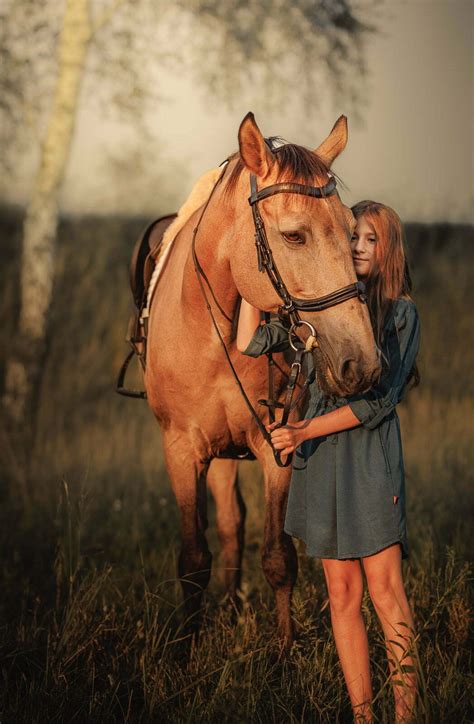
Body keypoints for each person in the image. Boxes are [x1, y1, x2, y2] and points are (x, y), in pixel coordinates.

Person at [237, 200, 421, 722]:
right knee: (341, 594)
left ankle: (406, 717)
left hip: (368, 460)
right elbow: (250, 340)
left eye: (369, 239)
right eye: (352, 238)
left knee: (386, 594)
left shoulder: (402, 314)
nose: (358, 248)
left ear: (389, 250)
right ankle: (363, 716)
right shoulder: (319, 310)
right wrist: (258, 279)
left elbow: (376, 402)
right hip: (320, 462)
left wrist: (302, 429)